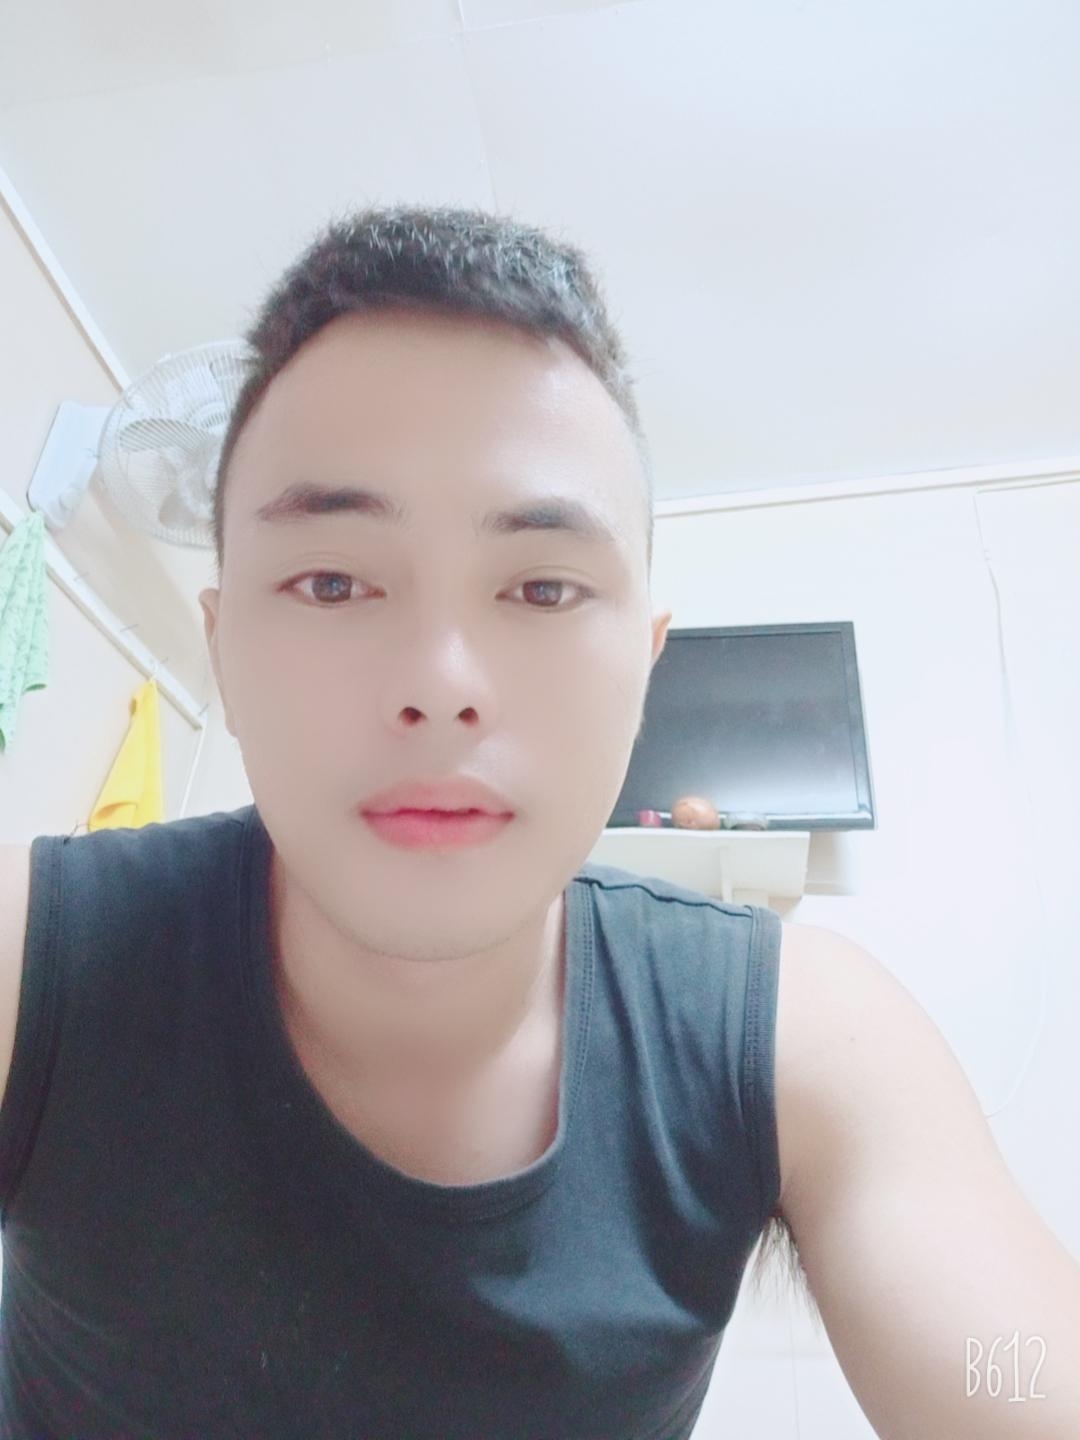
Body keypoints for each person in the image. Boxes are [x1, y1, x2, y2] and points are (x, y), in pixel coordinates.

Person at [1, 205, 1077, 1438]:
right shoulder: (39, 954)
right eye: (334, 580)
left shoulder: (799, 1039)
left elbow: (1012, 1373)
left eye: (544, 588)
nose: (441, 680)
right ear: (222, 649)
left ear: (645, 671)